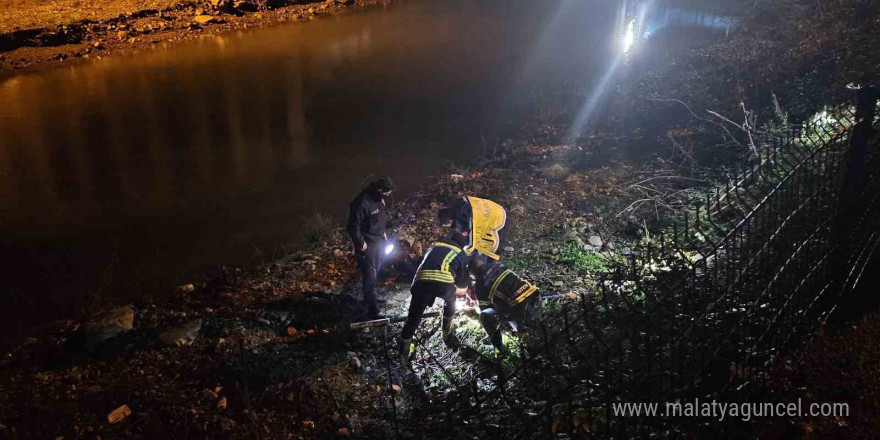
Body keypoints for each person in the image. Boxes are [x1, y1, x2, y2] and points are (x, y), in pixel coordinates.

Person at [398, 230, 471, 363]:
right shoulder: (461, 253)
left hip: (421, 283)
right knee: (450, 302)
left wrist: (415, 291)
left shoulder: (433, 247)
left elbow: (421, 268)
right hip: (443, 285)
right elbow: (461, 285)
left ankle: (403, 354)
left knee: (413, 318)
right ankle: (446, 333)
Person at [469, 253, 541, 355]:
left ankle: (498, 350)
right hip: (537, 299)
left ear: (471, 271)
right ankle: (519, 328)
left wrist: (475, 304)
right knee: (505, 300)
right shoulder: (498, 265)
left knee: (484, 316)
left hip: (525, 311)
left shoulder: (480, 285)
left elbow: (485, 309)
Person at [347, 177, 395, 319]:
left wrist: (383, 232)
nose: (388, 196)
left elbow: (379, 217)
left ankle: (371, 297)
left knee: (375, 270)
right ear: (380, 191)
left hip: (378, 241)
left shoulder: (380, 199)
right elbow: (352, 226)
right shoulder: (362, 202)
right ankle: (372, 309)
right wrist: (360, 242)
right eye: (387, 193)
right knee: (369, 275)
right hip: (367, 245)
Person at [438, 196, 510, 261]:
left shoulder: (463, 216)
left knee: (492, 252)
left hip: (500, 219)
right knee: (482, 246)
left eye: (445, 225)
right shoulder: (459, 203)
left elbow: (469, 243)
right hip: (496, 210)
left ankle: (492, 270)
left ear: (449, 220)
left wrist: (461, 253)